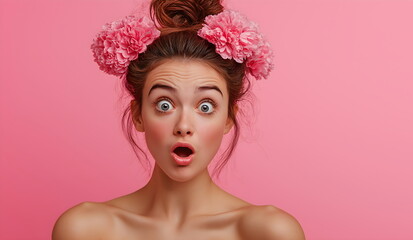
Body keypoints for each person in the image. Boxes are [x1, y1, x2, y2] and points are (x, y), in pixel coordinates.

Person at [52, 0, 305, 239]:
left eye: (205, 107)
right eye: (164, 105)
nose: (184, 126)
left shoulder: (268, 232)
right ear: (139, 115)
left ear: (228, 118)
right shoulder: (86, 229)